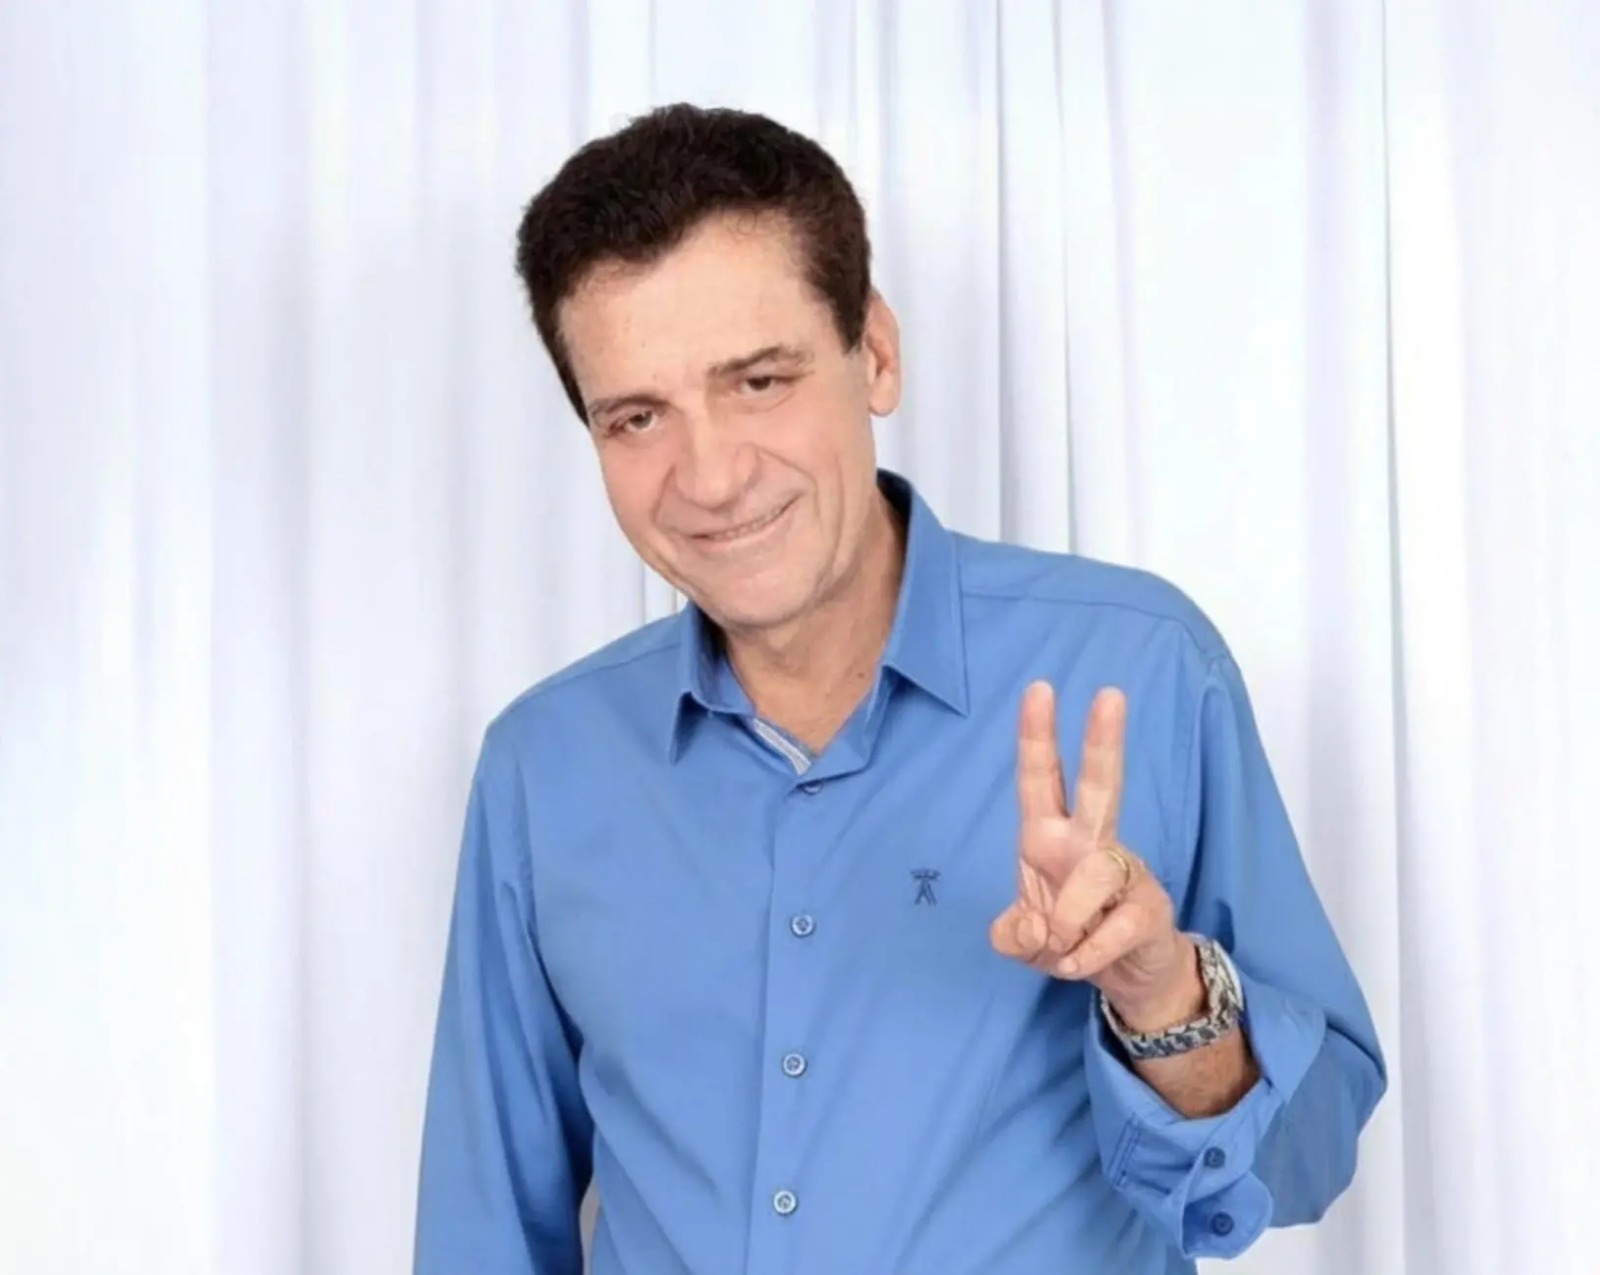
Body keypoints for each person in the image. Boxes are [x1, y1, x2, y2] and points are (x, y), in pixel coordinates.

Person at [413, 103, 1386, 1275]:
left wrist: (1162, 997)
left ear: (874, 353)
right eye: (637, 416)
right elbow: (483, 1234)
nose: (709, 476)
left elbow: (1307, 1155)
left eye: (758, 380)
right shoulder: (546, 765)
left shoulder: (1138, 670)